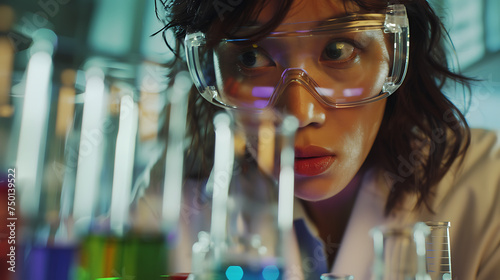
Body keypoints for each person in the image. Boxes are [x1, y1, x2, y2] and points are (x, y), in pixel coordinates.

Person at [157, 0, 500, 279]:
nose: (298, 113)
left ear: (396, 54)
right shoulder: (172, 202)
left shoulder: (489, 186)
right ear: (209, 70)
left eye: (338, 50)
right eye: (250, 58)